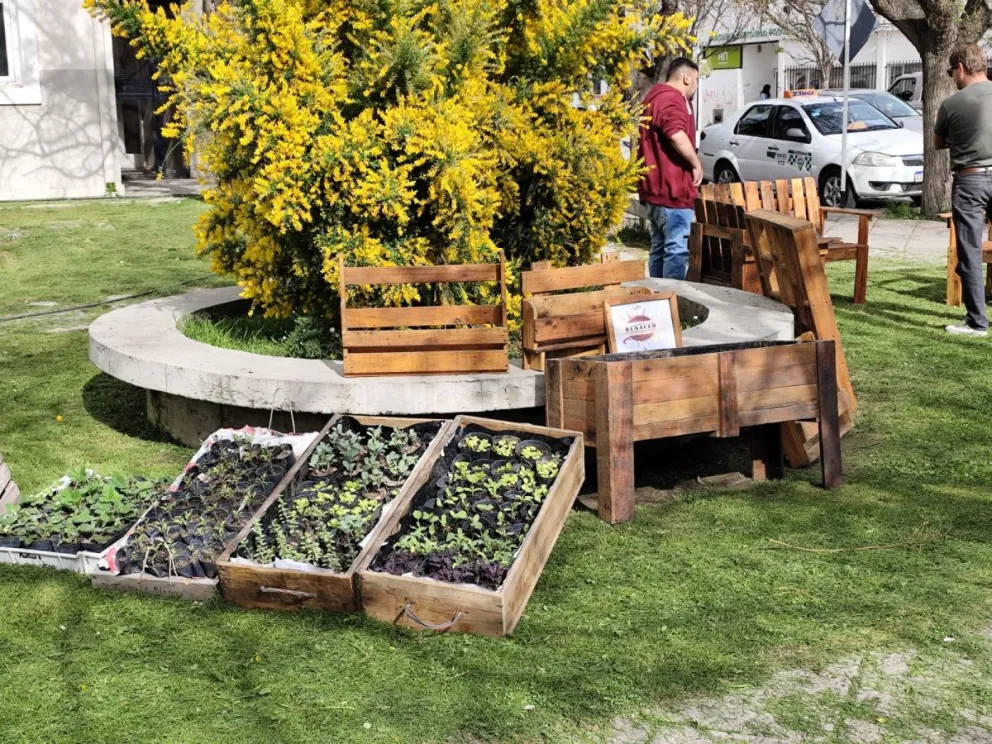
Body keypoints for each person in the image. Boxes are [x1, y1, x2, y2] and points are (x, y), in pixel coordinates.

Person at [935, 43, 992, 337]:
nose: (951, 77)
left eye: (950, 71)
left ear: (960, 67)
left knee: (970, 249)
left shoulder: (951, 104)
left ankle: (976, 322)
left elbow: (938, 143)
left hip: (970, 179)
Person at [637, 57, 701, 280]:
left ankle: (657, 300)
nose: (696, 86)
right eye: (696, 79)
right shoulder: (672, 99)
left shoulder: (653, 97)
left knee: (658, 248)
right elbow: (675, 133)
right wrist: (695, 163)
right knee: (676, 251)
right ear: (687, 77)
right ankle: (673, 305)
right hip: (671, 193)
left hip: (654, 193)